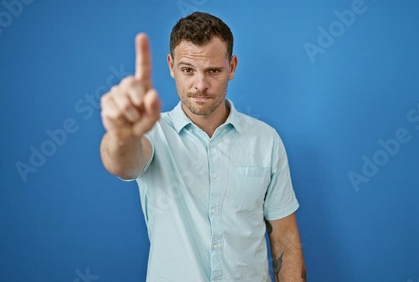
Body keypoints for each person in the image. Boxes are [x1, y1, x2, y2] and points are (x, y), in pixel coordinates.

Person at [100, 11, 306, 282]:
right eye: (188, 70)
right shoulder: (152, 133)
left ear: (231, 67)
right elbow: (122, 164)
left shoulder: (266, 140)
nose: (200, 85)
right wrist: (122, 133)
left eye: (213, 71)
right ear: (171, 65)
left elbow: (285, 238)